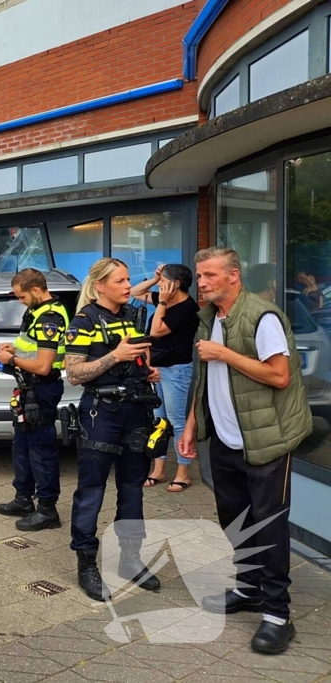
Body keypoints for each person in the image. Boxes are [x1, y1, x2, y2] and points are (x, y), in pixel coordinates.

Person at [178, 247, 311, 656]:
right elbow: (202, 380)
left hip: (267, 439)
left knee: (269, 526)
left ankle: (277, 615)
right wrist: (190, 427)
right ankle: (249, 588)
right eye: (199, 276)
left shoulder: (262, 316)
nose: (201, 283)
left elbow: (279, 375)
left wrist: (225, 353)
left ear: (233, 276)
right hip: (224, 438)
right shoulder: (208, 319)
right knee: (234, 518)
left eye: (209, 275)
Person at [64, 257, 161, 602]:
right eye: (120, 280)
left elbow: (137, 360)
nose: (126, 285)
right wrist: (115, 357)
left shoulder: (131, 317)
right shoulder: (84, 320)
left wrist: (145, 372)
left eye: (127, 279)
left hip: (135, 411)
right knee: (91, 490)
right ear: (100, 286)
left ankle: (130, 559)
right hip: (100, 414)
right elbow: (74, 374)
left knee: (133, 487)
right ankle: (86, 563)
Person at [0, 269, 70, 532]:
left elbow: (44, 366)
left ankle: (48, 509)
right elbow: (32, 346)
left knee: (41, 451)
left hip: (42, 389)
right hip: (28, 389)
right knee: (22, 446)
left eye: (22, 296)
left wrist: (11, 360)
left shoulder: (50, 317)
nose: (20, 301)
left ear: (36, 290)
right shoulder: (36, 312)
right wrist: (14, 349)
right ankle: (23, 498)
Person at [131, 264, 200, 492]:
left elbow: (157, 331)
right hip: (158, 369)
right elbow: (135, 293)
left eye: (164, 280)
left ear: (176, 284)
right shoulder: (164, 298)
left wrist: (161, 302)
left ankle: (183, 473)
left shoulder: (187, 308)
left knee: (176, 420)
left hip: (176, 370)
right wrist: (154, 278)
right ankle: (159, 470)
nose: (160, 285)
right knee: (159, 421)